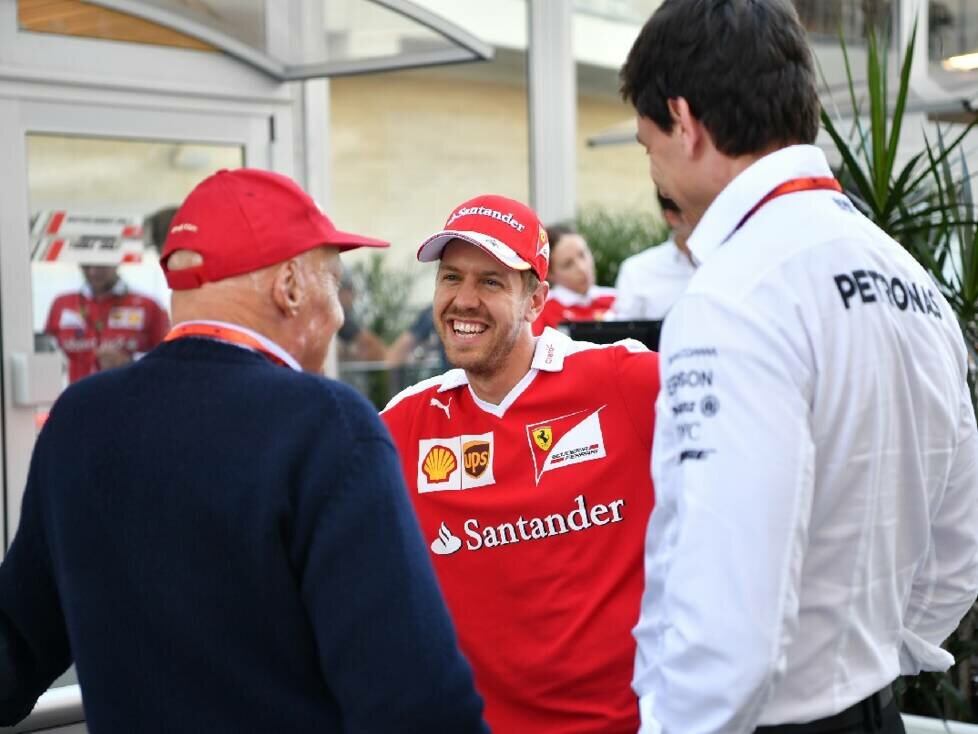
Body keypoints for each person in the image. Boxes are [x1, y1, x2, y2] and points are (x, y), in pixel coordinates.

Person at [0, 168, 487, 733]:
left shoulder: (80, 419)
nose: (340, 314)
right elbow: (416, 701)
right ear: (290, 287)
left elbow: (16, 647)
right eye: (333, 285)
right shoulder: (323, 426)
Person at [621, 2, 978, 733]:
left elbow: (728, 616)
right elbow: (958, 542)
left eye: (646, 143)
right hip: (871, 709)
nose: (653, 166)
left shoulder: (733, 295)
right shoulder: (911, 280)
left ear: (684, 122)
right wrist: (869, 655)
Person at [381, 194, 661, 733]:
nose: (463, 300)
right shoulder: (404, 423)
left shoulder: (623, 380)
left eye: (491, 282)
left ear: (536, 301)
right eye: (451, 278)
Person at [45, 262, 170, 383]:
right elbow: (47, 352)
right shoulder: (62, 303)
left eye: (101, 265)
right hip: (76, 397)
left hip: (129, 396)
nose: (93, 271)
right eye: (86, 265)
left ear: (115, 261)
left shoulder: (148, 305)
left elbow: (168, 358)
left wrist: (130, 362)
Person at [612, 192, 695, 320]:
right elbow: (624, 334)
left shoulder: (732, 261)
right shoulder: (637, 270)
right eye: (698, 211)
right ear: (671, 217)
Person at [531, 224, 616, 335]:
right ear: (550, 273)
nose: (582, 268)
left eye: (582, 255)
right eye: (568, 264)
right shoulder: (540, 308)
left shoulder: (617, 299)